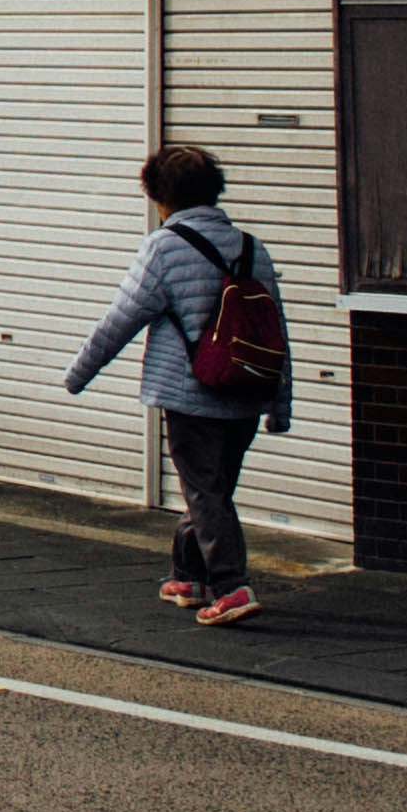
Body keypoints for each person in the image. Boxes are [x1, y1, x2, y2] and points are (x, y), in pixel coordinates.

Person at [65, 140, 287, 622]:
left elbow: (120, 320)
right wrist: (279, 402)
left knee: (204, 491)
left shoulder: (165, 247)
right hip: (246, 392)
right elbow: (275, 329)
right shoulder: (252, 247)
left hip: (192, 394)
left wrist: (78, 374)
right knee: (211, 488)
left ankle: (232, 586)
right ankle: (188, 578)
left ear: (160, 197)